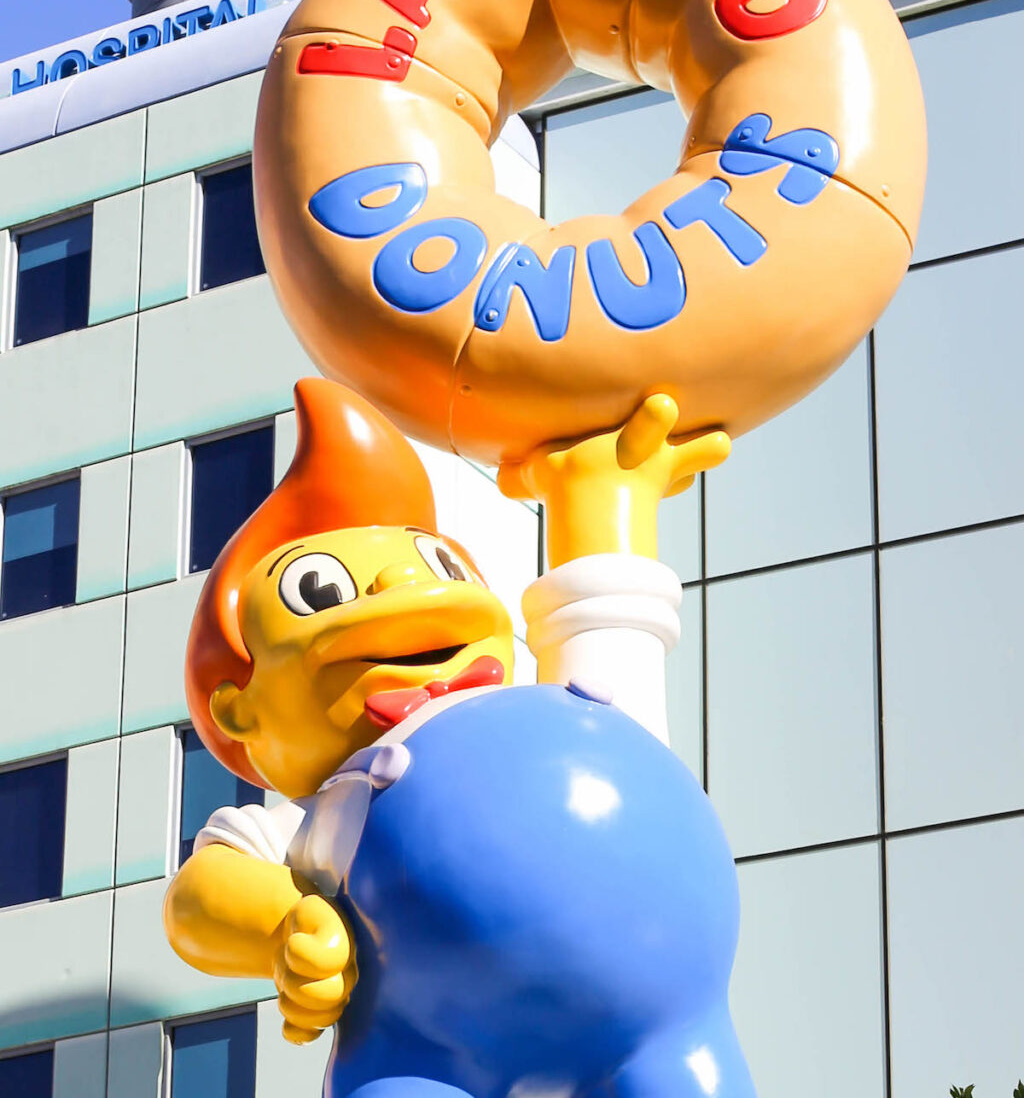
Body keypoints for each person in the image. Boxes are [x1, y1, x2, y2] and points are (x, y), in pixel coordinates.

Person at [164, 378, 755, 1098]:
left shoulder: (566, 717)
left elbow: (608, 622)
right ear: (238, 710)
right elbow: (201, 893)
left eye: (435, 564)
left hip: (665, 1034)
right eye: (321, 591)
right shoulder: (329, 811)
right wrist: (287, 921)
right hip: (425, 1057)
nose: (405, 588)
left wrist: (600, 497)